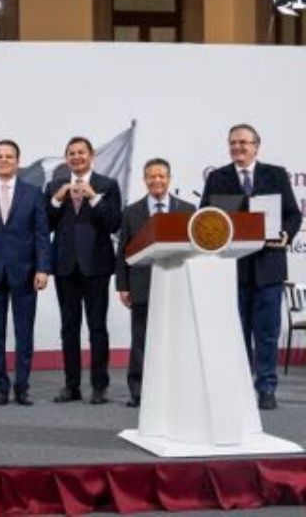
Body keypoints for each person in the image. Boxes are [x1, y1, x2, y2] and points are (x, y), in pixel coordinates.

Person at [200, 124, 302, 410]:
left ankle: (266, 388)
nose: (238, 147)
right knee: (236, 333)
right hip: (232, 270)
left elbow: (293, 215)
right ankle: (240, 389)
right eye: (233, 143)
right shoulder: (217, 178)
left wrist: (286, 233)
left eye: (243, 142)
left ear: (256, 146)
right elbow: (205, 216)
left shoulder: (276, 174)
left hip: (269, 268)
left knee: (267, 333)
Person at [0, 140, 51, 407]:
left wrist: (43, 268)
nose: (4, 160)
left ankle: (22, 387)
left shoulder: (33, 193)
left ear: (18, 161)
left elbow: (42, 235)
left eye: (9, 156)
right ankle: (1, 388)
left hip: (25, 273)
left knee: (24, 334)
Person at [45, 136, 122, 405]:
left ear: (92, 156)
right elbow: (46, 225)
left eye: (81, 152)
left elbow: (114, 223)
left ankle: (99, 386)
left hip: (96, 266)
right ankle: (71, 386)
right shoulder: (54, 186)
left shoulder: (107, 185)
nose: (76, 157)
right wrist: (56, 201)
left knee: (97, 328)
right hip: (65, 267)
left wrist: (94, 198)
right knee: (69, 329)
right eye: (71, 153)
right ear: (66, 157)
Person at [115, 158, 195, 408]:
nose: (156, 180)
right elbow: (123, 251)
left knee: (177, 339)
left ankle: (177, 389)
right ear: (145, 180)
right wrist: (122, 286)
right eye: (151, 176)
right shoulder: (131, 212)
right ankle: (138, 391)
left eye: (161, 176)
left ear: (169, 179)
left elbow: (194, 250)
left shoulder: (187, 209)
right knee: (141, 341)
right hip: (141, 285)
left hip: (177, 284)